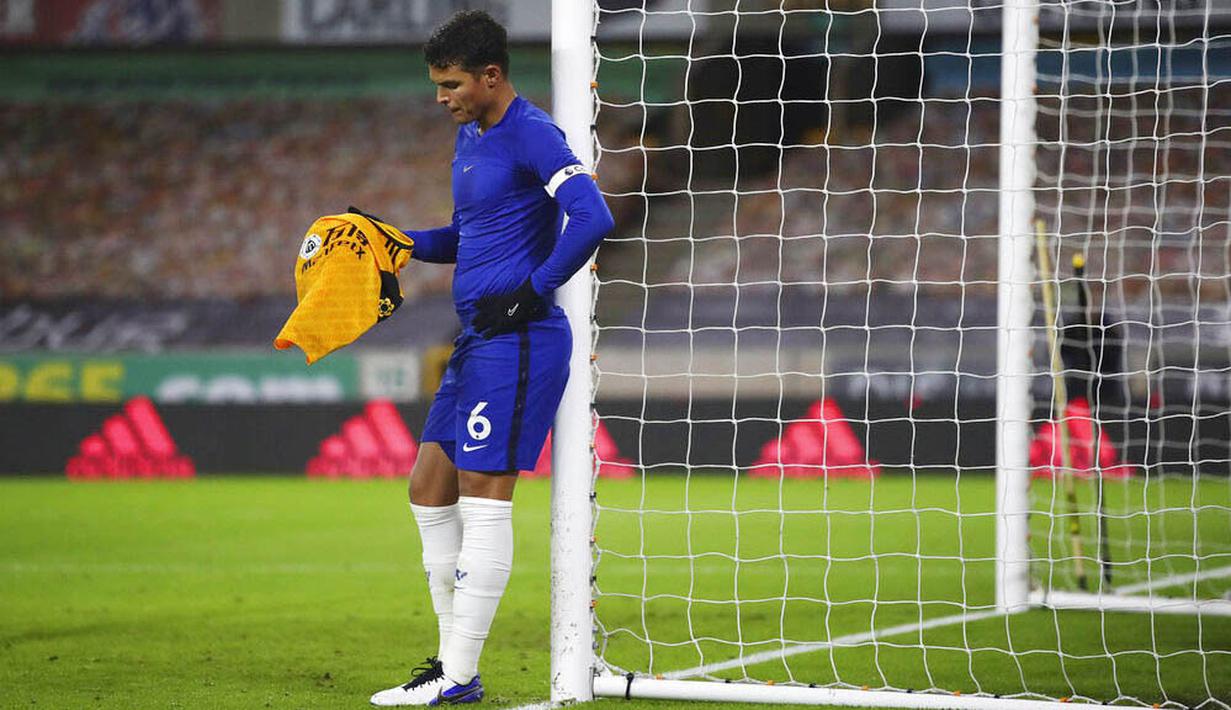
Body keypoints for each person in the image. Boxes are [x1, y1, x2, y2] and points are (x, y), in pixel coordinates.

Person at [369, 10, 614, 707]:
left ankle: (456, 677)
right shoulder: (472, 137)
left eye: (450, 85)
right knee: (427, 485)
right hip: (476, 336)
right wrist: (397, 240)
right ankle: (452, 667)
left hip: (520, 338)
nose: (440, 97)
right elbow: (469, 236)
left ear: (491, 76)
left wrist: (532, 292)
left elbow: (593, 216)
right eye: (437, 85)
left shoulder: (530, 132)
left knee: (482, 496)